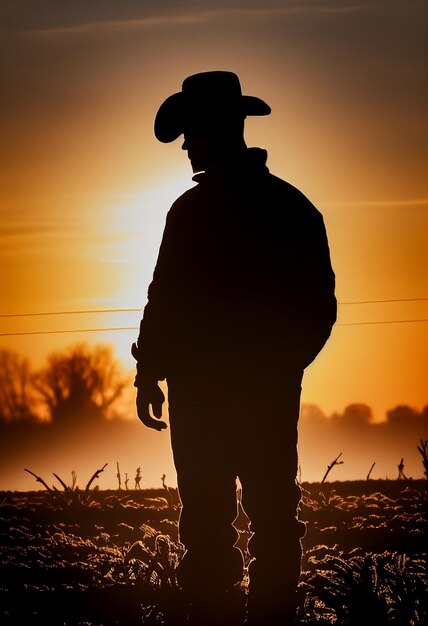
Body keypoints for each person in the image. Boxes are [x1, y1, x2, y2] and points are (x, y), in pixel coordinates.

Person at [132, 71, 337, 625]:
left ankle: (217, 616)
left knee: (214, 515)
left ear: (217, 131)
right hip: (250, 391)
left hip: (207, 393)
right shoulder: (291, 208)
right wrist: (280, 368)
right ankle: (266, 616)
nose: (186, 146)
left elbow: (164, 298)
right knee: (260, 512)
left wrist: (152, 369)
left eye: (192, 133)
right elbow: (319, 307)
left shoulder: (191, 213)